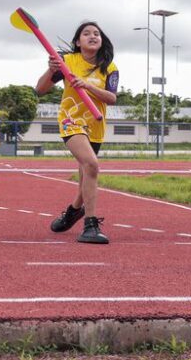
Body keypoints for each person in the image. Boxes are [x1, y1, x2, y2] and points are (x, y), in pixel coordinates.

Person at [35, 21, 118, 244]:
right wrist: (52, 70)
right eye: (86, 33)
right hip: (71, 121)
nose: (92, 36)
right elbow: (40, 90)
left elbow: (112, 98)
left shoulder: (109, 67)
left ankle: (74, 210)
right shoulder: (67, 61)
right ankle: (90, 226)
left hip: (96, 126)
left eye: (96, 34)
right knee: (92, 165)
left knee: (86, 175)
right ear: (78, 42)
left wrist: (88, 86)